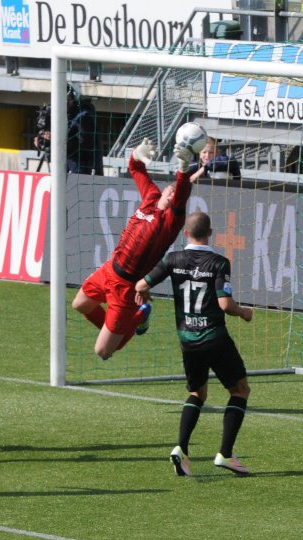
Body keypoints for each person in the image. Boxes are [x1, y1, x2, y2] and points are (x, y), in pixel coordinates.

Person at [135, 211, 253, 477]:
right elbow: (225, 304)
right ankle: (225, 453)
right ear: (210, 233)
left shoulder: (172, 259)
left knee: (198, 394)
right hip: (214, 337)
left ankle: (182, 449)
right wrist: (244, 312)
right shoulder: (219, 262)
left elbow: (141, 285)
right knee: (240, 390)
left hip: (187, 339)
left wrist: (145, 301)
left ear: (186, 233)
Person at [71, 137, 194, 360]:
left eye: (174, 192)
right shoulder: (152, 197)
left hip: (126, 287)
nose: (171, 191)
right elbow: (135, 168)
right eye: (170, 189)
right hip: (109, 269)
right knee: (79, 303)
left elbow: (183, 193)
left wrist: (183, 170)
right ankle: (123, 323)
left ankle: (136, 317)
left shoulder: (169, 223)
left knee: (104, 351)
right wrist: (137, 153)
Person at [34, 84, 103, 175]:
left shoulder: (84, 117)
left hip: (82, 166)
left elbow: (79, 145)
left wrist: (55, 139)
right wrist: (42, 140)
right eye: (58, 100)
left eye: (66, 100)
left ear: (73, 99)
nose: (62, 103)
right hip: (63, 164)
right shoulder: (55, 113)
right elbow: (46, 138)